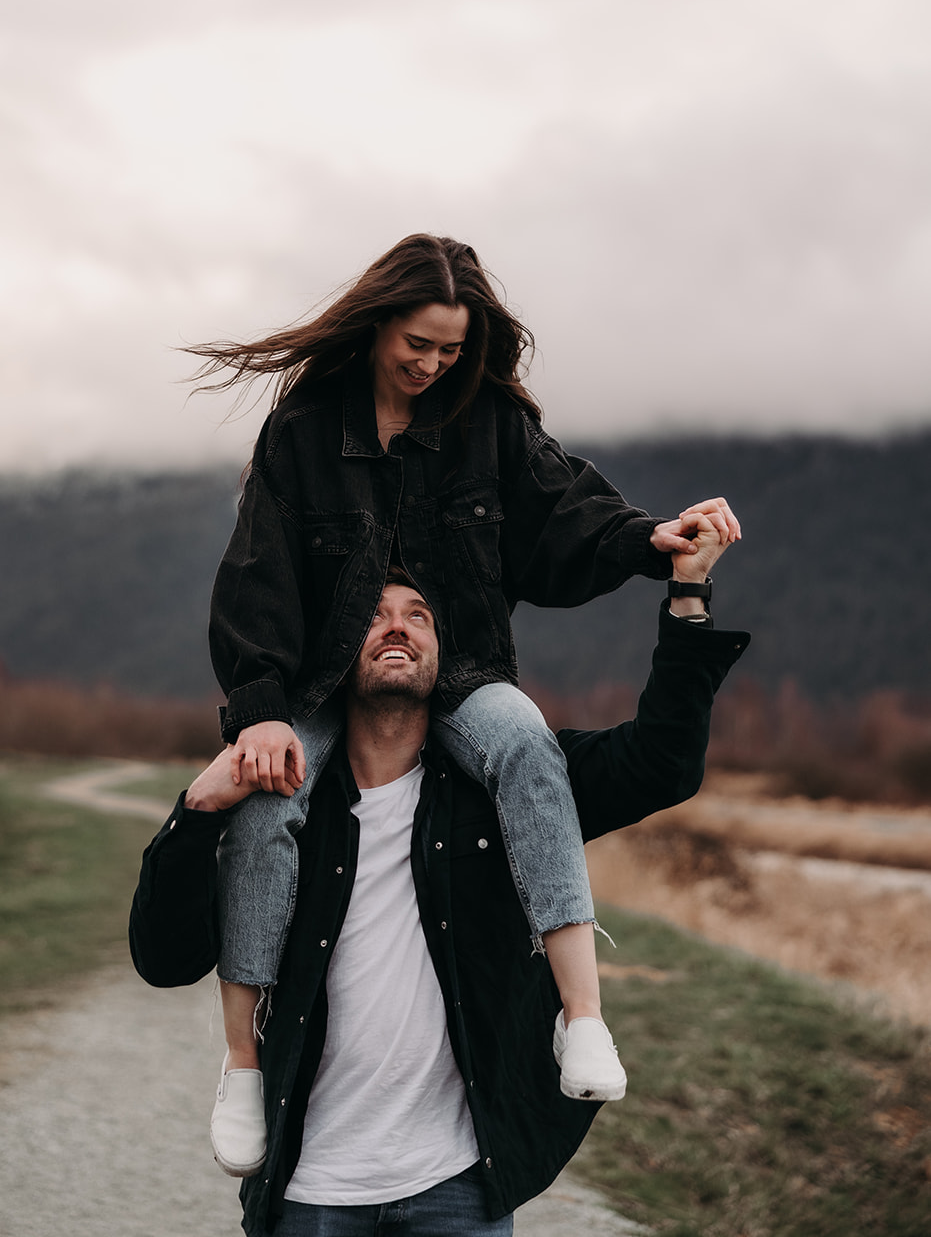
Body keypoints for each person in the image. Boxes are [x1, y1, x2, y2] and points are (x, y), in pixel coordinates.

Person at [186, 233, 741, 1163]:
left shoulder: (488, 422)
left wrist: (655, 540)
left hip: (463, 670)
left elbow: (567, 514)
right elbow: (257, 575)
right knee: (264, 800)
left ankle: (583, 1019)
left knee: (525, 744)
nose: (432, 363)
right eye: (417, 343)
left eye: (449, 348)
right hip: (324, 683)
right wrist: (261, 708)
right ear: (376, 325)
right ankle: (242, 1066)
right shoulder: (305, 428)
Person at [129, 519, 748, 1237]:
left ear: (443, 649)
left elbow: (662, 763)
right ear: (333, 648)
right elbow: (164, 959)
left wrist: (688, 598)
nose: (397, 628)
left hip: (457, 1184)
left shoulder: (507, 790)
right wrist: (199, 809)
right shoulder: (283, 803)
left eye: (417, 616)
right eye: (371, 616)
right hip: (308, 1188)